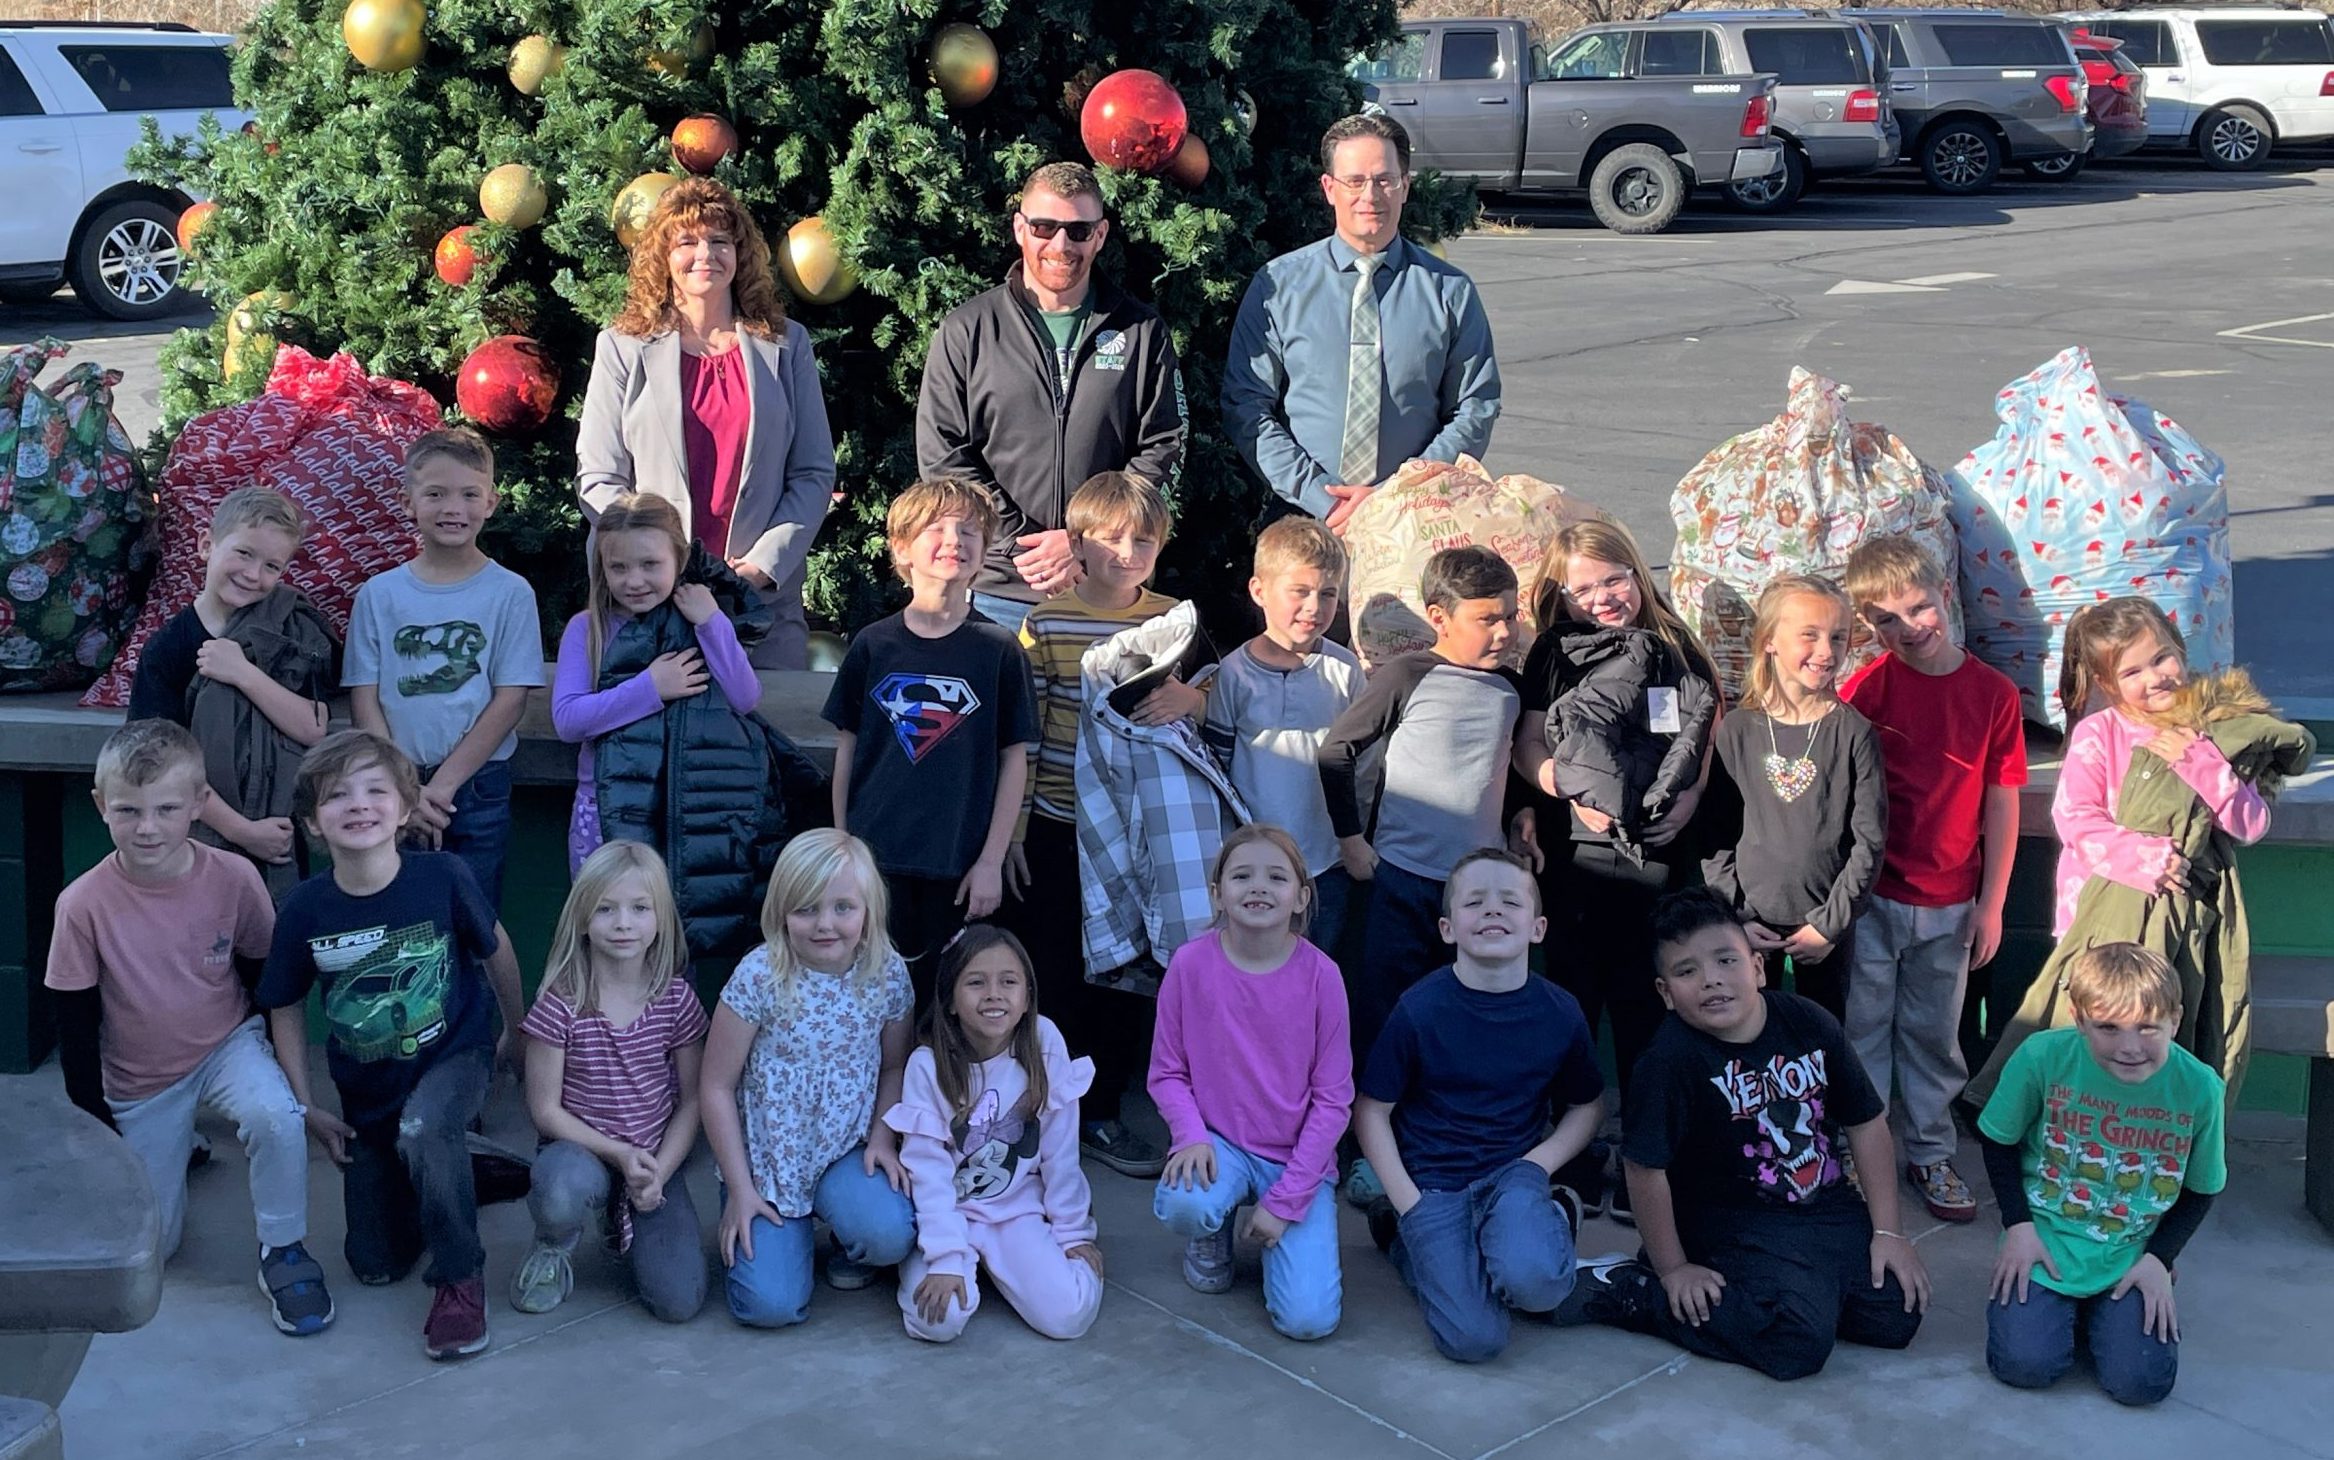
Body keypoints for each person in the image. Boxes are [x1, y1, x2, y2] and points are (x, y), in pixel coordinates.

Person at [1560, 888, 1930, 1381]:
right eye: (1686, 971)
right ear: (1666, 993)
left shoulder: (1807, 1022)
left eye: (1725, 960)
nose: (1711, 979)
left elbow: (1865, 1122)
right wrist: (1673, 1269)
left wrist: (1889, 1233)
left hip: (1825, 1208)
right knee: (1796, 1342)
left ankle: (1791, 1289)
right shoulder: (1669, 1061)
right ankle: (1636, 1290)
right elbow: (1643, 1168)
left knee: (1896, 1313)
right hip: (1731, 1223)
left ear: (1757, 968)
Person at [45, 719, 330, 1336]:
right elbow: (73, 1019)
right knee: (156, 1251)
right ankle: (181, 1149)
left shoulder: (235, 877)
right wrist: (96, 1116)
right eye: (129, 810)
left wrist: (283, 1081)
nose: (148, 827)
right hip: (139, 1077)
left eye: (167, 808)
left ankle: (284, 1250)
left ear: (200, 805)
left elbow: (266, 979)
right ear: (101, 806)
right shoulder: (82, 903)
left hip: (227, 1044)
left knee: (274, 1118)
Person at [1968, 597, 2312, 1107]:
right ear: (2108, 683)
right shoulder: (2099, 734)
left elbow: (2251, 824)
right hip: (2104, 919)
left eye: (2161, 658)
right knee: (2095, 1033)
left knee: (2161, 1034)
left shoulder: (2208, 732)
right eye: (2132, 671)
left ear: (2180, 649)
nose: (2155, 678)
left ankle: (2153, 1130)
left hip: (2186, 920)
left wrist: (2204, 766)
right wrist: (2147, 857)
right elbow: (2077, 819)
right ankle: (2074, 1129)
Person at [256, 731, 526, 1361]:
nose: (359, 804)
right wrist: (305, 1107)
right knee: (373, 1264)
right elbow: (284, 1006)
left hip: (454, 1057)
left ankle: (460, 1282)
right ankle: (463, 1173)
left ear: (406, 809)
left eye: (377, 790)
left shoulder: (442, 875)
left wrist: (517, 1029)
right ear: (311, 822)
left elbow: (498, 946)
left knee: (427, 1126)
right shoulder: (304, 909)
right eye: (337, 794)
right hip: (369, 1096)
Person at [1511, 519, 1719, 1223]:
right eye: (1584, 588)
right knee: (1571, 1008)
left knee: (1644, 1016)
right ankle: (1571, 1158)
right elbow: (1529, 740)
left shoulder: (1675, 647)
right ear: (1561, 597)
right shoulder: (1555, 653)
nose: (1603, 598)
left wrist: (1688, 799)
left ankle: (1643, 1163)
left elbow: (1703, 732)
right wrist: (1560, 787)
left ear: (1637, 571)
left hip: (1654, 867)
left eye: (1614, 579)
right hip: (1575, 862)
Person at [1318, 544, 1522, 1204]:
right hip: (1397, 882)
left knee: (1459, 1021)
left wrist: (1522, 823)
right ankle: (1362, 1154)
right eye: (1487, 618)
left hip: (1472, 894)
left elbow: (1504, 768)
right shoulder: (1408, 675)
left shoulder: (1511, 689)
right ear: (1439, 615)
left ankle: (1438, 1143)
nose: (1503, 631)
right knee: (1381, 1017)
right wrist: (1352, 839)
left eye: (1512, 617)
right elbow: (1337, 752)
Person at [1010, 470, 1196, 1177]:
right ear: (1077, 546)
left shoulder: (1173, 618)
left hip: (1137, 831)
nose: (1127, 550)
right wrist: (1019, 829)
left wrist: (1192, 696)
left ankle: (1106, 1111)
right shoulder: (1047, 622)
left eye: (1143, 539)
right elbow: (1026, 735)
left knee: (1127, 973)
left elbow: (1196, 706)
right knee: (1053, 973)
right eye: (1110, 538)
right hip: (1058, 825)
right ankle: (1045, 1104)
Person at [1353, 850, 1602, 1365]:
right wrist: (1409, 1204)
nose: (1493, 910)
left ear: (1537, 928)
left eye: (1510, 901)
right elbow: (1371, 1110)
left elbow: (1588, 1104)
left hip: (1513, 1175)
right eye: (1475, 902)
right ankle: (1403, 1238)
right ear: (1448, 928)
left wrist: (1538, 1164)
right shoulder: (1419, 1009)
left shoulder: (1559, 1011)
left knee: (1537, 1286)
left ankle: (1546, 1216)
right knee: (1474, 1339)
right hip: (1433, 1184)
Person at [1839, 536, 2025, 1224]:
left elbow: (2002, 799)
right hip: (1873, 898)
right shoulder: (1867, 690)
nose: (1907, 628)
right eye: (1884, 619)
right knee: (1860, 1030)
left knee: (1931, 1035)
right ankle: (1864, 1151)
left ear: (1945, 593)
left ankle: (1928, 1150)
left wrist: (1994, 904)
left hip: (1952, 901)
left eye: (1918, 606)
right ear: (1866, 626)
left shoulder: (1992, 694)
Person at [915, 161, 1186, 633]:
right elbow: (943, 454)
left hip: (1106, 590)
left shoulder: (1141, 331)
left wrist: (1087, 541)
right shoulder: (968, 329)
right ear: (1020, 228)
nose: (1061, 246)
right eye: (1044, 227)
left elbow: (1163, 443)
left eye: (1078, 231)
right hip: (995, 588)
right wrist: (1022, 543)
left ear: (1100, 236)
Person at [576, 177, 835, 668]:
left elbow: (813, 472)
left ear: (740, 254)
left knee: (763, 738)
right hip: (646, 600)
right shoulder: (622, 347)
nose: (705, 254)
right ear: (662, 257)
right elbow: (599, 476)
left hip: (759, 604)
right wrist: (656, 561)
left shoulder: (786, 344)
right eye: (687, 242)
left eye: (720, 241)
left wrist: (762, 566)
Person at [550, 492, 815, 964]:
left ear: (680, 558)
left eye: (650, 564)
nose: (634, 581)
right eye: (619, 568)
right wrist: (651, 687)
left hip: (684, 812)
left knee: (675, 945)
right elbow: (569, 719)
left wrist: (712, 622)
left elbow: (744, 696)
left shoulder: (697, 622)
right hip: (604, 812)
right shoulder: (587, 628)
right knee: (610, 940)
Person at [1222, 114, 1499, 536]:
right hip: (1305, 520)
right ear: (1329, 188)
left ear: (1405, 186)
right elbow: (1247, 405)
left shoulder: (1450, 292)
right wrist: (1321, 496)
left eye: (1384, 180)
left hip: (1414, 519)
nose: (1370, 195)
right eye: (1354, 181)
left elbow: (1474, 406)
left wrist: (1398, 493)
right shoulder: (1278, 286)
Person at [1978, 942, 2226, 1407]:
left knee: (2143, 1384)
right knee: (2024, 1365)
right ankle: (2070, 1314)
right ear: (2078, 1018)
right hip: (2047, 1239)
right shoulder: (2042, 1057)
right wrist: (2019, 1226)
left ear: (2175, 1019)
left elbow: (2201, 1189)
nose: (2129, 1047)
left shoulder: (2200, 1088)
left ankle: (2101, 1316)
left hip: (2131, 1252)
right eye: (2107, 1027)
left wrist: (2159, 1258)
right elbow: (1998, 1139)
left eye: (2148, 1027)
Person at [822, 478, 1039, 999]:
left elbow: (1014, 761)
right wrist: (842, 847)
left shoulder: (1000, 649)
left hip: (959, 867)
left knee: (945, 1003)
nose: (954, 539)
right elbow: (848, 750)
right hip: (876, 862)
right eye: (935, 529)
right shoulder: (873, 646)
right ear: (901, 548)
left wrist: (991, 861)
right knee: (871, 996)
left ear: (985, 552)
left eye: (968, 530)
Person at [699, 830, 918, 1328]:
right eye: (806, 909)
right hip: (770, 1162)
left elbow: (894, 1065)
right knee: (769, 1306)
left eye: (843, 907)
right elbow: (715, 1086)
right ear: (781, 911)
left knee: (891, 1234)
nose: (825, 924)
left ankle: (847, 1238)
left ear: (869, 911)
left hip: (845, 1148)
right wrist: (739, 1187)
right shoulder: (759, 975)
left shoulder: (886, 974)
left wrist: (883, 1139)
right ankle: (779, 1238)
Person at [1150, 826, 1352, 1341]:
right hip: (1218, 1143)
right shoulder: (1190, 965)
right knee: (1185, 1203)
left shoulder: (1323, 977)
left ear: (1301, 896)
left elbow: (1333, 1101)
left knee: (1308, 1321)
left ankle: (1274, 1230)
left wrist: (1286, 1201)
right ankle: (1210, 1231)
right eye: (1242, 876)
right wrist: (1190, 1136)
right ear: (1217, 893)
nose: (1258, 887)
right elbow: (1167, 1072)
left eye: (1276, 877)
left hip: (1294, 1156)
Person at [346, 428, 545, 912]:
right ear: (408, 501)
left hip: (477, 785)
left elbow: (510, 698)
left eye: (469, 495)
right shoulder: (380, 595)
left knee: (473, 920)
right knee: (401, 918)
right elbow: (364, 696)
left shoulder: (511, 593)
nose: (452, 508)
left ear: (491, 502)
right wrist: (402, 787)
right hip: (395, 785)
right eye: (435, 494)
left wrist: (442, 785)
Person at [511, 841, 709, 1323]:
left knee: (679, 1302)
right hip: (583, 1152)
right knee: (561, 1188)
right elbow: (545, 1110)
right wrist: (616, 1153)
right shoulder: (561, 1002)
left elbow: (694, 1099)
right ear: (581, 919)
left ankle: (624, 1215)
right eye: (606, 909)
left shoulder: (676, 998)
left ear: (661, 918)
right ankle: (553, 1243)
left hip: (652, 1157)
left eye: (640, 909)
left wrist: (658, 1171)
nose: (623, 923)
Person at [884, 925, 1103, 1342]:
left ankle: (1021, 1270)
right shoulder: (927, 1066)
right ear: (949, 1000)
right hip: (950, 1212)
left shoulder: (1044, 1042)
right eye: (975, 982)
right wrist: (947, 1258)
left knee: (1068, 1318)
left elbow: (1060, 1155)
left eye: (1009, 981)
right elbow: (928, 1173)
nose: (994, 994)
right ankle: (943, 1264)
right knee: (937, 1322)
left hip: (1016, 1210)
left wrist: (1073, 1233)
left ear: (1027, 998)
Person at [127, 486, 334, 896]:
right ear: (207, 544)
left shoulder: (290, 630)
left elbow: (313, 727)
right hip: (198, 835)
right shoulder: (168, 649)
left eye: (272, 566)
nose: (254, 575)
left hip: (280, 831)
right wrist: (243, 831)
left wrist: (242, 673)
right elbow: (160, 765)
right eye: (243, 553)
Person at [1703, 575, 1885, 1020]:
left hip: (1824, 928)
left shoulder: (1853, 732)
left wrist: (1829, 925)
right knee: (1746, 1030)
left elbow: (1869, 842)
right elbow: (1716, 834)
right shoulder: (1738, 729)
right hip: (1749, 927)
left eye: (1837, 637)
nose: (1826, 651)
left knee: (1820, 1033)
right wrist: (1737, 917)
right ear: (1769, 641)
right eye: (1810, 635)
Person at [1200, 517, 1364, 965]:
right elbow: (1217, 767)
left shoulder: (1345, 670)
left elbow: (1362, 764)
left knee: (1317, 969)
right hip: (1254, 865)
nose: (1315, 606)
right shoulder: (1232, 674)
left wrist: (1356, 837)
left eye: (1328, 594)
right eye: (1300, 591)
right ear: (1259, 591)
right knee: (1251, 967)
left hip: (1326, 862)